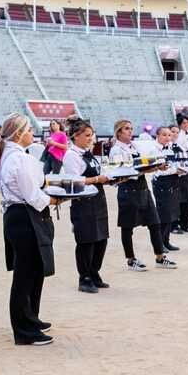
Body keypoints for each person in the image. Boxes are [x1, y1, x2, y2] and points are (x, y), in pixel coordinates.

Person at [0, 113, 57, 346]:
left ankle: (31, 318)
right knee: (25, 274)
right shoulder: (19, 158)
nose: (32, 133)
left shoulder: (9, 155)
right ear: (19, 133)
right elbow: (32, 195)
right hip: (25, 216)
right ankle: (24, 329)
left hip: (16, 215)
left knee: (33, 271)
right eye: (29, 129)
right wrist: (55, 200)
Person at [109, 119, 177, 271]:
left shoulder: (134, 146)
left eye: (131, 128)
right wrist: (147, 169)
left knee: (155, 223)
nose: (130, 131)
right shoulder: (116, 150)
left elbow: (141, 165)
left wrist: (156, 167)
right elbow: (124, 172)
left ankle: (160, 257)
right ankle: (131, 259)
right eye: (126, 128)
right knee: (127, 227)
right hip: (127, 190)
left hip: (142, 188)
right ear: (119, 132)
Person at [62, 118, 111, 294]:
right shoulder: (71, 156)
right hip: (83, 203)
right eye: (88, 135)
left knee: (101, 239)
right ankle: (84, 278)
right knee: (86, 241)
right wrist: (98, 179)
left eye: (92, 135)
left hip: (98, 200)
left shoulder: (88, 153)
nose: (91, 138)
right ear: (76, 136)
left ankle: (94, 272)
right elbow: (74, 181)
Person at [151, 127, 182, 252]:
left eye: (169, 135)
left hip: (172, 183)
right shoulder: (153, 150)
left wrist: (180, 170)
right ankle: (160, 244)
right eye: (164, 135)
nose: (167, 137)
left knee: (170, 215)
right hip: (161, 185)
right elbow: (158, 170)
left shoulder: (170, 149)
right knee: (163, 216)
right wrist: (175, 170)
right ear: (157, 135)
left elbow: (173, 165)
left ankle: (166, 241)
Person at [173, 116, 188, 234]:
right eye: (185, 122)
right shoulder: (179, 136)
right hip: (182, 170)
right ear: (180, 124)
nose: (187, 124)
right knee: (184, 198)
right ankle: (183, 223)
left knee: (187, 197)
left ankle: (185, 222)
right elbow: (182, 152)